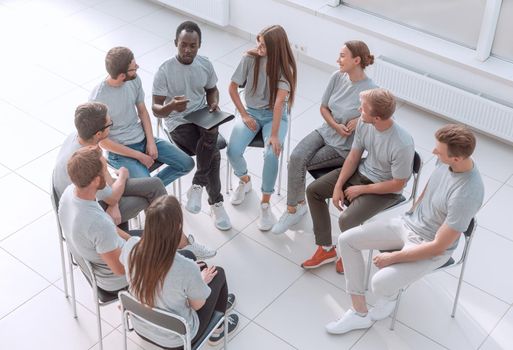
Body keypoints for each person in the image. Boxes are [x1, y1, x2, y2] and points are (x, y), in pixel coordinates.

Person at [326, 124, 484, 334]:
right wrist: (414, 209)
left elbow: (438, 247)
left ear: (456, 158)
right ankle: (359, 313)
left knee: (380, 283)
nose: (434, 152)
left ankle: (390, 295)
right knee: (346, 240)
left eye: (439, 150)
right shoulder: (447, 162)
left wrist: (393, 258)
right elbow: (432, 184)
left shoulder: (468, 192)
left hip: (429, 244)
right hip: (407, 223)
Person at [53, 102, 215, 259]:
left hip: (82, 202)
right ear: (98, 134)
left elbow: (107, 184)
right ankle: (178, 245)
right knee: (151, 197)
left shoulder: (77, 138)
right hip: (90, 212)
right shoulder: (89, 159)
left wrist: (113, 198)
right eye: (110, 125)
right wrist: (121, 178)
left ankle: (178, 241)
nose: (113, 126)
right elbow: (109, 196)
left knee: (155, 185)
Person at [303, 88, 414, 272]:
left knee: (346, 220)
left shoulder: (402, 144)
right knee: (314, 191)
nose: (358, 110)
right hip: (361, 172)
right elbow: (354, 156)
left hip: (385, 191)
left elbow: (398, 184)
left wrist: (361, 190)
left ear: (377, 118)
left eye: (362, 108)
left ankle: (348, 254)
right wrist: (338, 186)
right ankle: (326, 249)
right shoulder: (364, 123)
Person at [271, 40, 377, 234]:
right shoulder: (337, 77)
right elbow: (323, 108)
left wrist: (360, 120)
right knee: (296, 158)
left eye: (342, 56)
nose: (338, 60)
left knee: (300, 164)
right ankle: (296, 207)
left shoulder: (371, 90)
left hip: (343, 147)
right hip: (327, 130)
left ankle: (296, 205)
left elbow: (380, 121)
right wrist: (335, 125)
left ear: (356, 60)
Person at [120, 195, 240, 348]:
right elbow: (197, 305)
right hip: (178, 339)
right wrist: (200, 280)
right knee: (218, 274)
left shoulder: (131, 246)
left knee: (189, 254)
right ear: (177, 227)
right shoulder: (185, 268)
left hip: (141, 325)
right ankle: (217, 331)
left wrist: (188, 278)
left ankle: (207, 298)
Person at [152, 21, 231, 231]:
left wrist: (213, 102)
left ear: (199, 45)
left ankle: (197, 185)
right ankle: (215, 202)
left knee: (211, 131)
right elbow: (156, 109)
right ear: (175, 43)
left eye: (192, 46)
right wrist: (171, 106)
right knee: (213, 152)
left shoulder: (204, 64)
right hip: (178, 122)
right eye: (183, 44)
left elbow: (212, 90)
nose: (187, 50)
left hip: (202, 115)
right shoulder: (164, 71)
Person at [90, 46, 194, 188]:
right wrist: (139, 156)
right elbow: (103, 143)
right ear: (122, 75)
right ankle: (149, 191)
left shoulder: (133, 80)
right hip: (120, 152)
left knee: (187, 163)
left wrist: (150, 142)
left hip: (142, 139)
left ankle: (148, 190)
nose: (137, 67)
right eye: (133, 68)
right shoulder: (98, 99)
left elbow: (143, 111)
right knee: (150, 187)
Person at [227, 24, 297, 231]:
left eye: (264, 45)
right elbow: (232, 88)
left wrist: (274, 135)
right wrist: (245, 115)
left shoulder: (285, 68)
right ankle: (245, 180)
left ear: (276, 48)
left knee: (272, 153)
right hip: (251, 113)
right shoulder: (249, 58)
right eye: (258, 42)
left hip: (274, 117)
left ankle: (265, 203)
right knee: (233, 151)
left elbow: (277, 105)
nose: (259, 47)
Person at [58, 146, 133, 291]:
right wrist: (143, 252)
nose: (108, 175)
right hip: (119, 277)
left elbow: (109, 228)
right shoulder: (96, 224)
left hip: (106, 256)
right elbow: (120, 269)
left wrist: (131, 240)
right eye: (105, 170)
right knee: (177, 253)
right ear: (96, 181)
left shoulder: (69, 193)